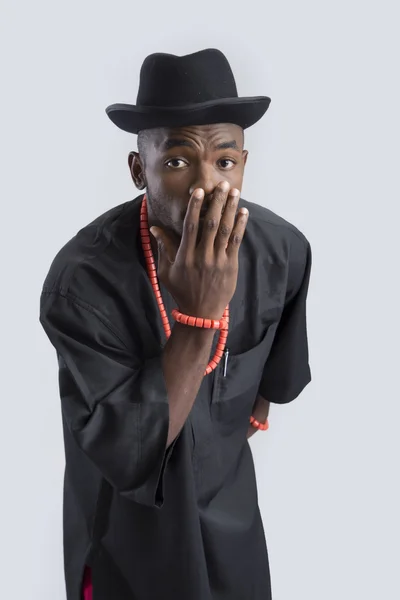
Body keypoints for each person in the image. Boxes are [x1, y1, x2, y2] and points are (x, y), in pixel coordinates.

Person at [39, 48, 312, 600]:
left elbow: (268, 395)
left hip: (230, 530)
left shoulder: (283, 251)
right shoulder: (83, 281)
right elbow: (126, 452)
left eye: (225, 161)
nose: (206, 185)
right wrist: (200, 316)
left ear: (244, 162)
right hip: (127, 543)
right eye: (177, 161)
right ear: (139, 169)